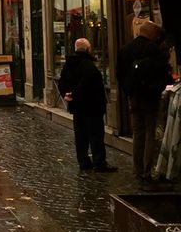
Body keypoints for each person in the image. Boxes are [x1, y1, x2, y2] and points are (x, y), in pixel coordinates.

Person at [117, 20, 171, 186]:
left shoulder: (126, 49)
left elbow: (119, 74)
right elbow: (163, 72)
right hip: (150, 97)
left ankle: (137, 170)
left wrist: (130, 93)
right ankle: (147, 171)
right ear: (151, 34)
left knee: (138, 133)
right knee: (150, 133)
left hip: (133, 98)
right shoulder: (153, 50)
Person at [58, 38, 117, 172]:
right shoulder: (88, 65)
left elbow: (62, 82)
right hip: (91, 106)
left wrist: (67, 94)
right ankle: (99, 162)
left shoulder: (69, 64)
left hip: (77, 107)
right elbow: (86, 85)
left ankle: (83, 161)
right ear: (87, 49)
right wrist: (73, 94)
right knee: (95, 135)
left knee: (81, 135)